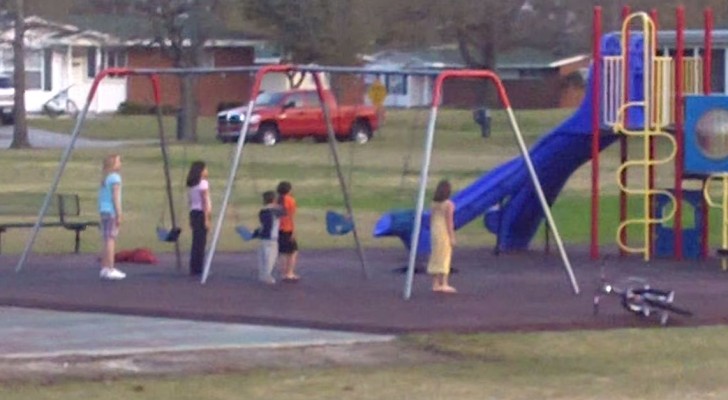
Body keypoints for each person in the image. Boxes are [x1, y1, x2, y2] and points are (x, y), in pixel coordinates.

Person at [98, 154, 126, 280]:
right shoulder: (115, 178)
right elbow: (116, 197)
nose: (121, 163)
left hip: (103, 210)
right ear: (114, 164)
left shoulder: (106, 178)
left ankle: (104, 267)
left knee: (106, 239)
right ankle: (110, 267)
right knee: (111, 239)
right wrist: (119, 213)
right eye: (119, 161)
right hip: (111, 211)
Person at [427, 179, 456, 293]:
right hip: (443, 230)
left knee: (436, 254)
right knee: (444, 255)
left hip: (435, 229)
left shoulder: (434, 203)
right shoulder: (449, 205)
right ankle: (444, 283)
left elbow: (431, 218)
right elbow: (449, 222)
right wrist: (452, 236)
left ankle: (435, 283)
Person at [186, 161, 212, 276]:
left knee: (196, 242)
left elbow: (191, 201)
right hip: (201, 213)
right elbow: (204, 201)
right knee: (201, 243)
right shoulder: (203, 183)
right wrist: (207, 219)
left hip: (194, 212)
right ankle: (199, 268)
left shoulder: (192, 184)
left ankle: (194, 267)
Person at [255, 191, 285, 284]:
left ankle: (262, 274)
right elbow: (284, 212)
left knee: (263, 257)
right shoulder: (275, 211)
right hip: (272, 238)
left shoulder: (262, 211)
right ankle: (267, 276)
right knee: (270, 258)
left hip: (263, 237)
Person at [277, 181, 299, 282]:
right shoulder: (290, 200)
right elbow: (291, 216)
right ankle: (289, 273)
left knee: (282, 252)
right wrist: (294, 230)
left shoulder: (277, 200)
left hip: (278, 228)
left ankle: (283, 272)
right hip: (287, 228)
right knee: (293, 251)